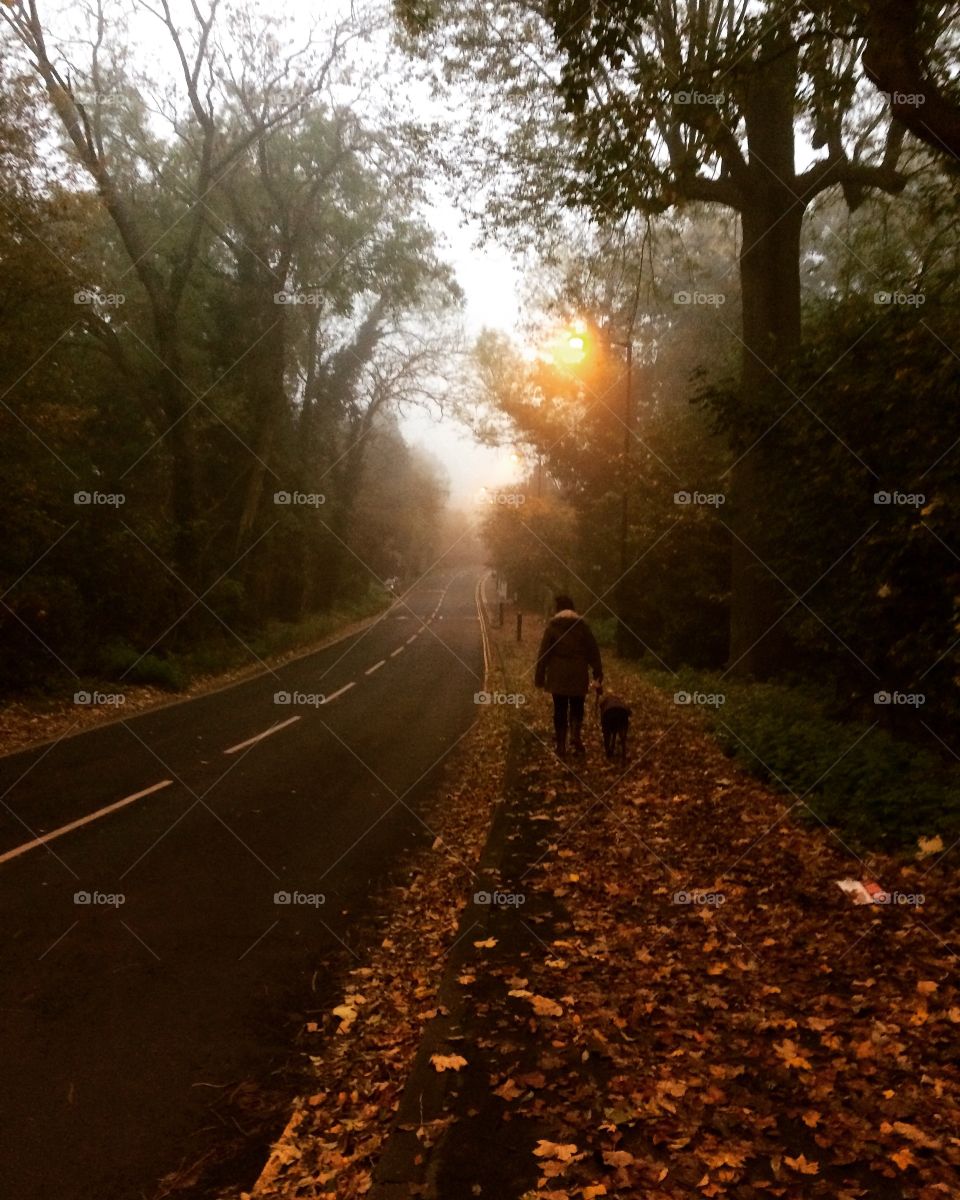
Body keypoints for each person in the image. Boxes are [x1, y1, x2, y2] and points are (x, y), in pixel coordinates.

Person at [534, 594, 603, 758]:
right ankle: (575, 737)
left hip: (558, 674)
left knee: (560, 709)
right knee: (577, 706)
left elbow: (544, 653)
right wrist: (597, 673)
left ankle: (561, 744)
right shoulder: (582, 627)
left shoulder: (553, 626)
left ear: (558, 609)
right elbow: (593, 651)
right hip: (578, 673)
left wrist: (540, 676)